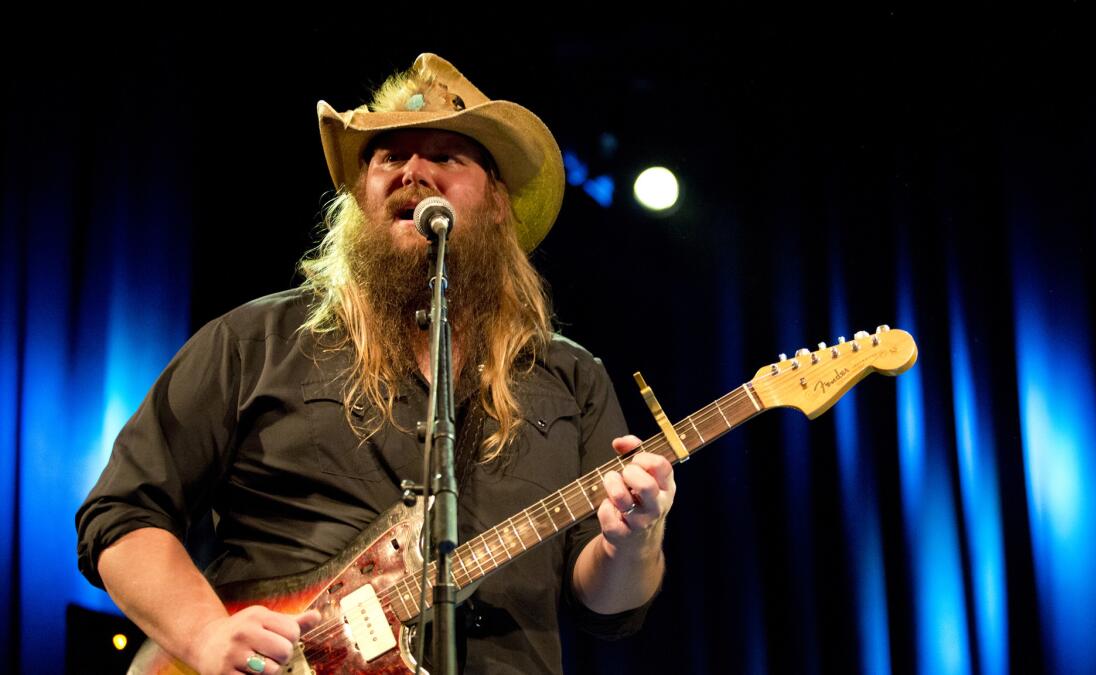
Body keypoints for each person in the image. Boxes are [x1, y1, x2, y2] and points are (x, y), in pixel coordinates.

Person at [75, 53, 675, 675]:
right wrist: (201, 635)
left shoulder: (569, 378)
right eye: (390, 156)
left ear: (499, 203)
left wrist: (635, 538)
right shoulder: (255, 342)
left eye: (446, 156)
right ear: (360, 197)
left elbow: (609, 608)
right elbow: (122, 514)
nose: (414, 171)